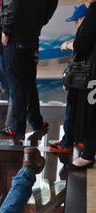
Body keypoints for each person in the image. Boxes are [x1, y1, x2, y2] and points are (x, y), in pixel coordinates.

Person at [0, 0, 58, 138]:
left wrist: (6, 30)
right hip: (32, 36)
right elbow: (51, 4)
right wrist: (39, 20)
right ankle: (37, 122)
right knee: (29, 82)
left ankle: (17, 126)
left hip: (15, 37)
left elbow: (12, 5)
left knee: (17, 85)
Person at [49, 4, 87, 153]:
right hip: (87, 80)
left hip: (80, 79)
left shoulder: (84, 34)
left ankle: (67, 142)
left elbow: (75, 61)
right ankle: (81, 139)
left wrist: (68, 44)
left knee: (71, 110)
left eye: (76, 21)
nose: (75, 25)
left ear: (83, 19)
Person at [66, 0, 96, 170]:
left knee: (92, 112)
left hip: (93, 76)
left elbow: (83, 43)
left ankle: (88, 155)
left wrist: (68, 45)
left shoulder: (94, 8)